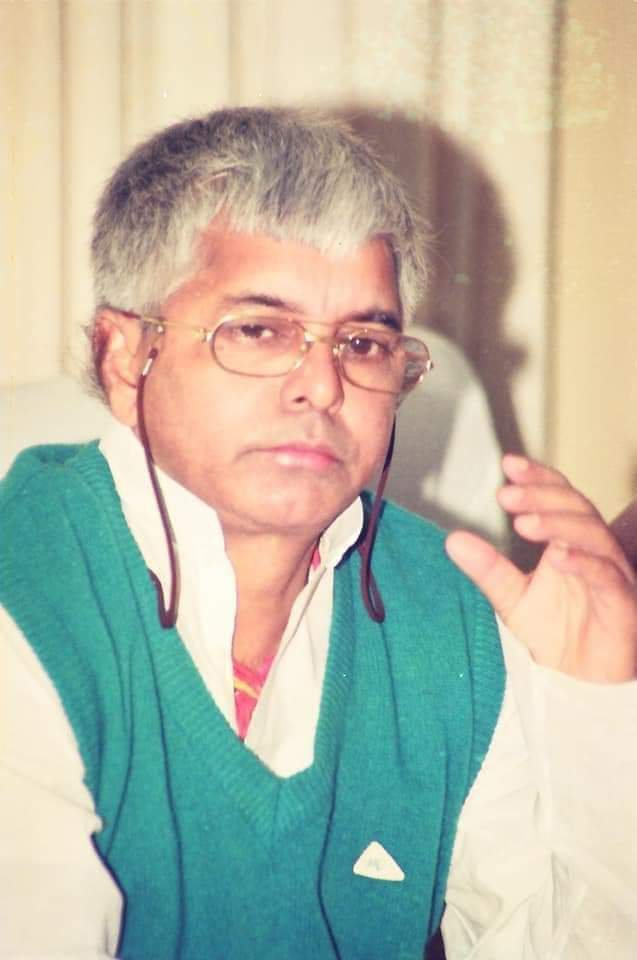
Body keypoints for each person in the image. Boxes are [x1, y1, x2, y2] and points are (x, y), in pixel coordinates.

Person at [1, 107, 635, 960]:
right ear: (124, 358)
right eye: (258, 330)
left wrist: (594, 704)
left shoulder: (449, 614)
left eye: (363, 343)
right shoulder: (26, 586)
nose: (323, 386)